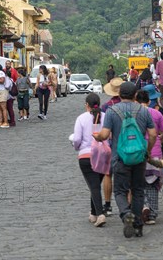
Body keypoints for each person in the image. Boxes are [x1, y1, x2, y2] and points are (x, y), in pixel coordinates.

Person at [94, 82, 156, 239]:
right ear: (135, 95)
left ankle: (126, 213)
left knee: (120, 191)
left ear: (119, 95)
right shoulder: (144, 110)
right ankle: (137, 225)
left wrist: (98, 137)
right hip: (139, 158)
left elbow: (105, 134)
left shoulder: (111, 111)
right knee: (138, 190)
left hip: (120, 157)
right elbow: (153, 134)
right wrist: (147, 150)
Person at [72, 93, 107, 227]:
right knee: (95, 184)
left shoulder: (81, 118)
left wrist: (77, 148)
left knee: (93, 185)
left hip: (86, 155)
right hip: (103, 155)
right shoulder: (106, 117)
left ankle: (100, 213)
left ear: (87, 105)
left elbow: (76, 139)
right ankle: (93, 213)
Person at [136, 89, 163, 225]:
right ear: (149, 101)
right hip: (155, 153)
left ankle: (143, 205)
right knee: (154, 184)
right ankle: (152, 214)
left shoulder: (134, 114)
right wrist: (161, 138)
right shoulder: (156, 113)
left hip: (138, 153)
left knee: (140, 183)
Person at [100, 77, 124, 215]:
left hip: (110, 144)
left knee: (108, 174)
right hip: (128, 144)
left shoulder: (105, 107)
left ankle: (108, 205)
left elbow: (105, 129)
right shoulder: (131, 104)